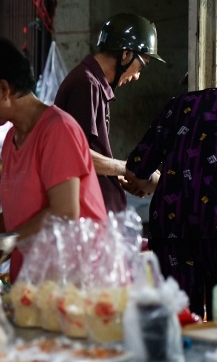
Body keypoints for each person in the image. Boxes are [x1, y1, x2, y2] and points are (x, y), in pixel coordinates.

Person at [0, 39, 107, 280]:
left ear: (3, 89)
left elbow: (64, 212)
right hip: (33, 277)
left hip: (73, 280)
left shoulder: (57, 130)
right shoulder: (12, 139)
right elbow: (16, 217)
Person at [126, 32, 217, 318]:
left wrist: (157, 180)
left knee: (178, 320)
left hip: (173, 232)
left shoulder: (179, 105)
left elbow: (137, 166)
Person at [54, 13, 164, 212]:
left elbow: (90, 157)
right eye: (142, 65)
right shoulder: (86, 84)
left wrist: (117, 174)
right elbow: (78, 155)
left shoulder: (93, 83)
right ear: (126, 55)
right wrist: (130, 169)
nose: (137, 76)